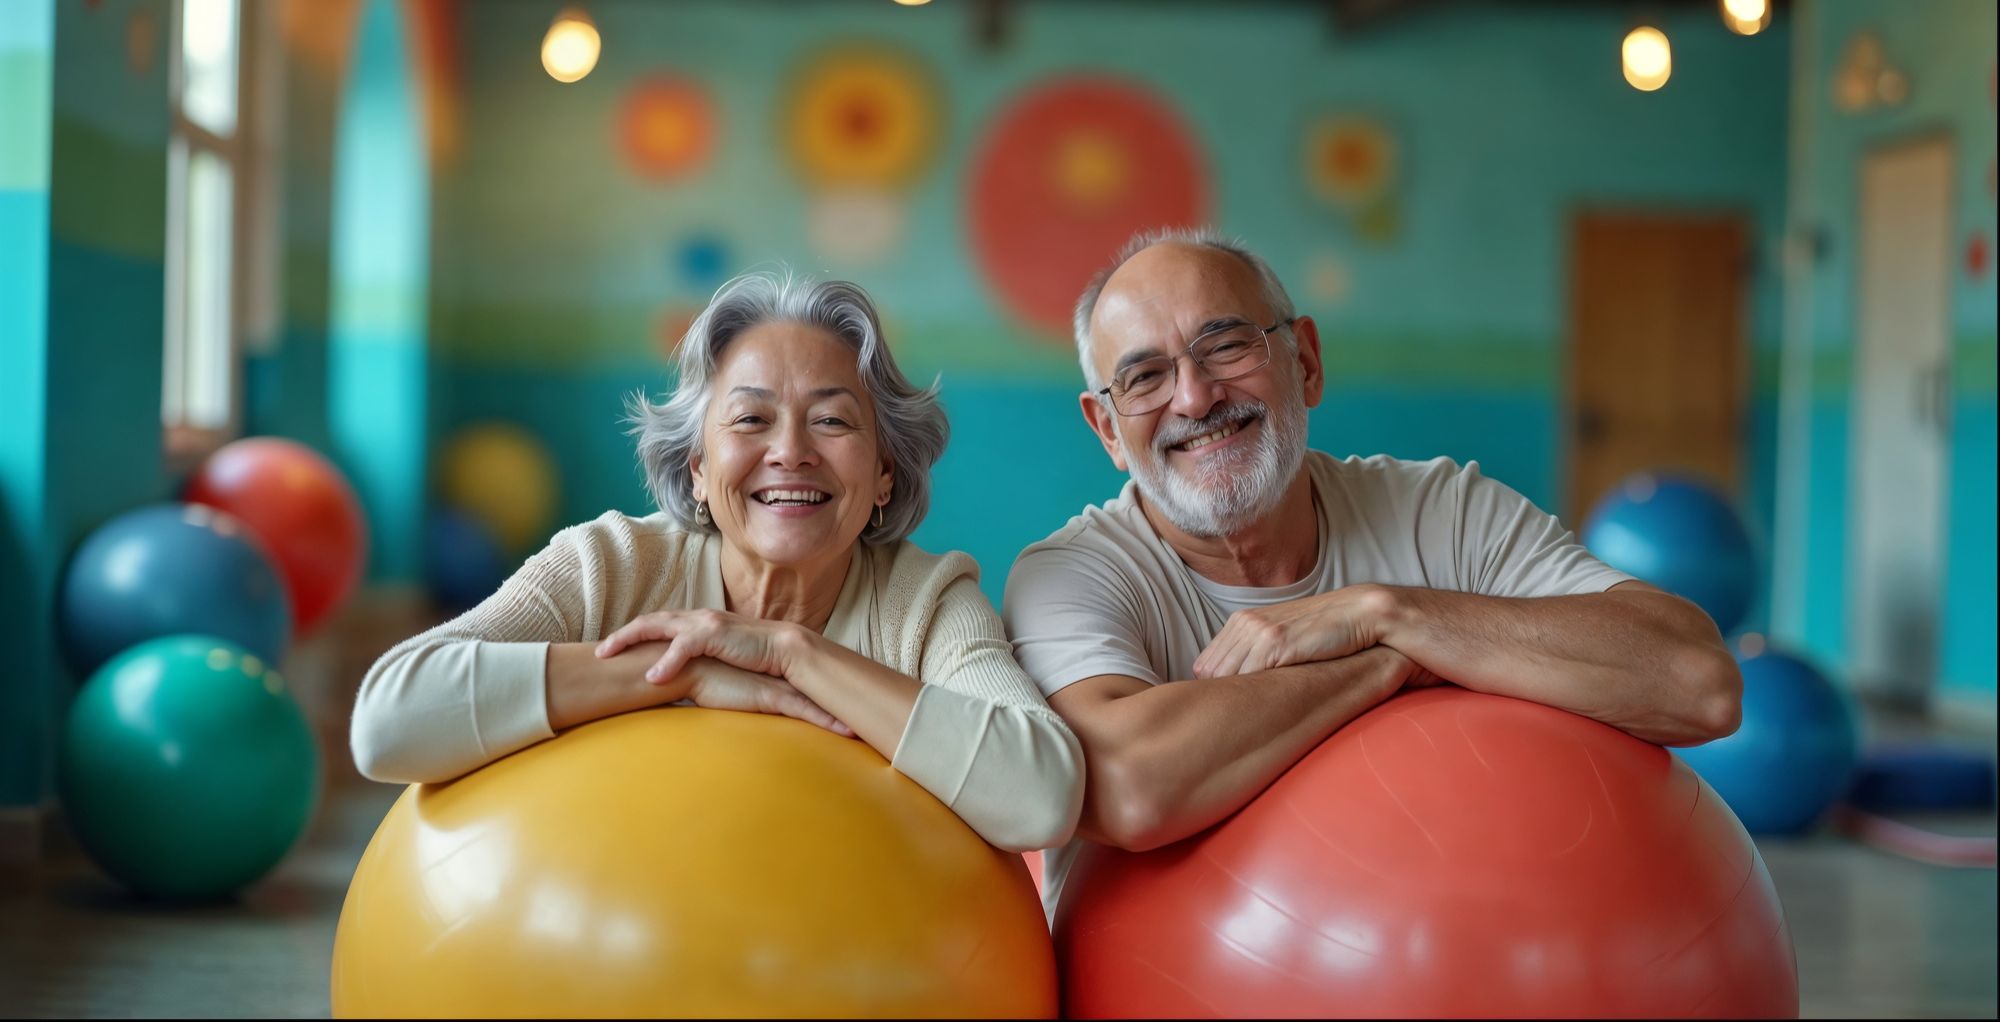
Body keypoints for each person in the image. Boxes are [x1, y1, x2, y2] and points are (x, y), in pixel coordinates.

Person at [1003, 228, 1742, 912]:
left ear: (1308, 362)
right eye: (1144, 378)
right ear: (1106, 428)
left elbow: (1698, 684)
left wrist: (1390, 612)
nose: (1195, 396)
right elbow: (1127, 786)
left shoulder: (1443, 511)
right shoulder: (1070, 577)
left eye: (1226, 347)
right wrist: (1391, 665)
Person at [351, 273, 1084, 853]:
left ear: (885, 472)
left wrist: (790, 653)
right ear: (698, 467)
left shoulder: (925, 603)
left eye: (832, 420)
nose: (790, 451)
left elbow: (1044, 796)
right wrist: (685, 671)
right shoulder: (611, 564)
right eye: (750, 419)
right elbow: (388, 720)